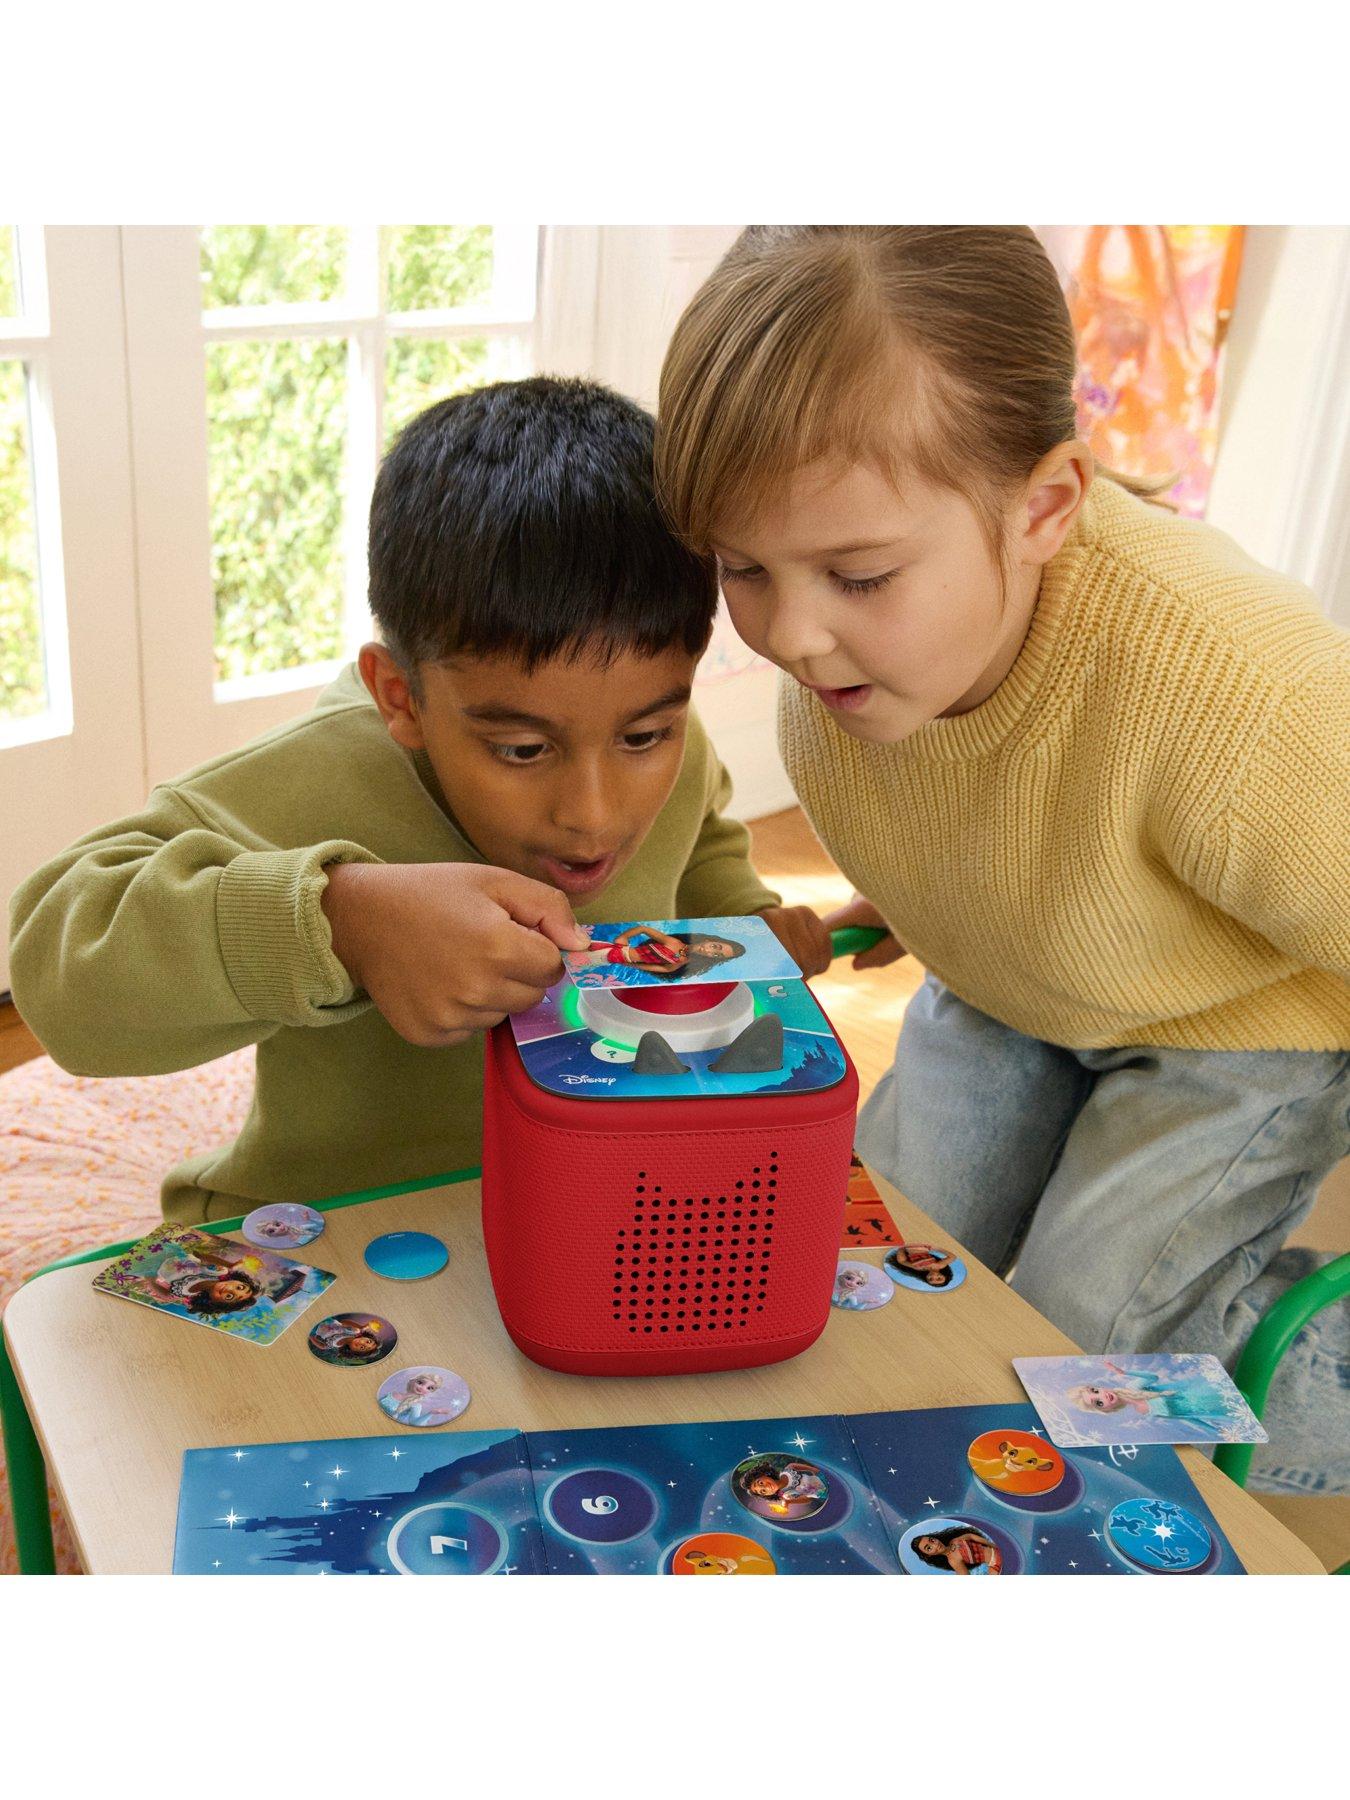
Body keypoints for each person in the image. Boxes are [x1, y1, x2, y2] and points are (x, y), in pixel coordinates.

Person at [655, 227, 1350, 1494]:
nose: (790, 635)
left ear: (1044, 508)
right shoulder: (844, 680)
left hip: (1236, 1028)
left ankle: (1290, 1355)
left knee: (1084, 1375)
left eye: (859, 575)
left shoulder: (1242, 691)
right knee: (862, 1284)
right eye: (743, 567)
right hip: (1019, 982)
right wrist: (939, 889)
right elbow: (1003, 802)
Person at [9, 377, 832, 1224]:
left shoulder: (668, 742)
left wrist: (743, 916)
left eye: (644, 736)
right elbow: (55, 960)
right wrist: (342, 922)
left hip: (597, 1202)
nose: (594, 813)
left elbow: (700, 836)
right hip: (330, 1231)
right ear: (399, 697)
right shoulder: (321, 776)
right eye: (523, 750)